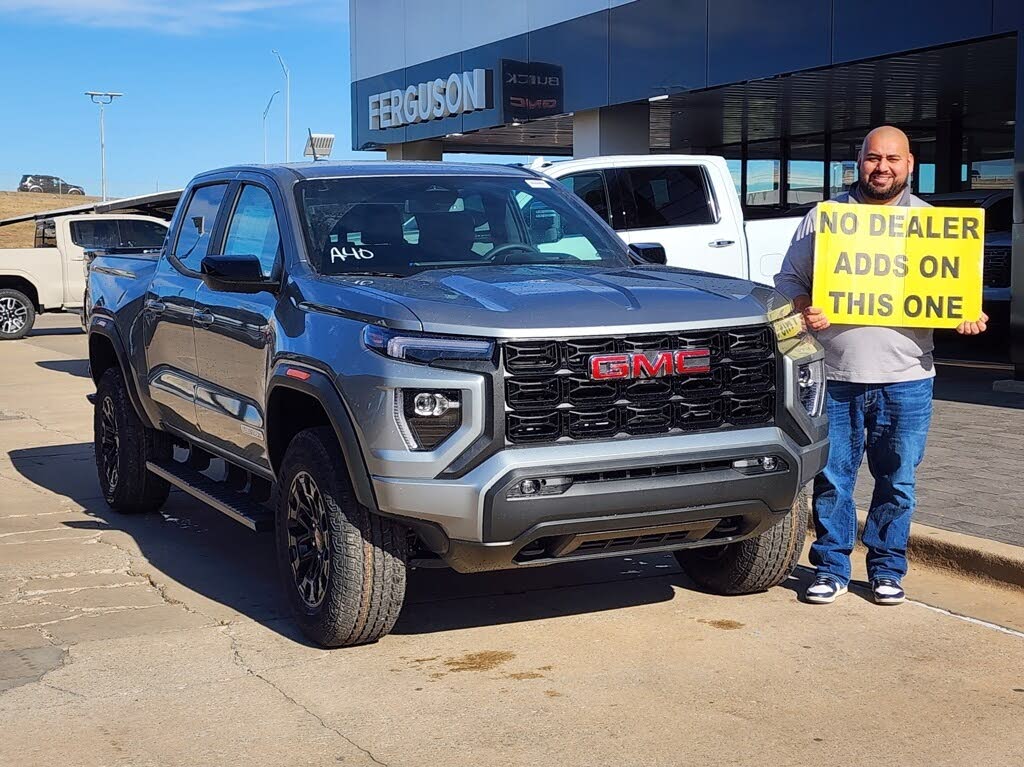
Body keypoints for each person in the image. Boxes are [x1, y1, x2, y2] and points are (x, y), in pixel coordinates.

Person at [774, 125, 988, 606]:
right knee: (833, 480)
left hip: (907, 378)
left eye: (892, 159)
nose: (882, 168)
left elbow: (954, 295)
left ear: (910, 164)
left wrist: (966, 314)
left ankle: (888, 569)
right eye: (874, 158)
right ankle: (831, 567)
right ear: (859, 160)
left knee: (898, 483)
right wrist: (805, 306)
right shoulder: (826, 218)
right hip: (836, 376)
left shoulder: (933, 225)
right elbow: (788, 280)